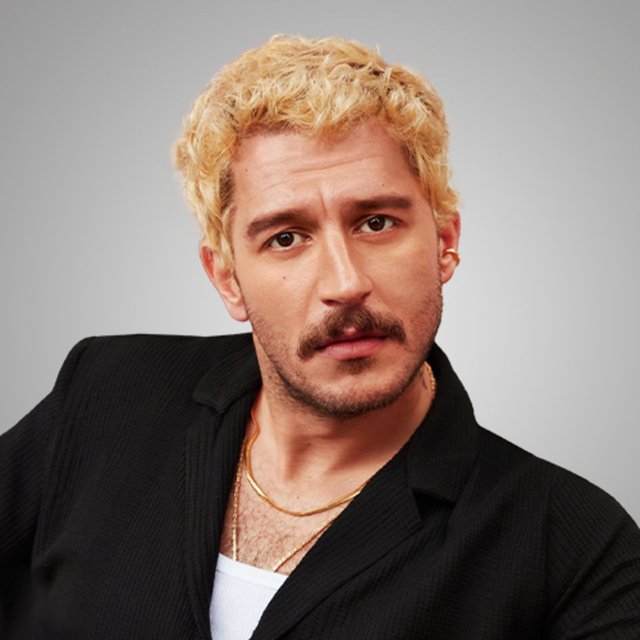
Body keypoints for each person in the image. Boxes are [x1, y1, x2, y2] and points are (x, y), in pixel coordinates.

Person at [1, 34, 639, 640]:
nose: (345, 283)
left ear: (445, 242)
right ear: (227, 278)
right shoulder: (106, 392)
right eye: (286, 237)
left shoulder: (575, 545)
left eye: (377, 222)